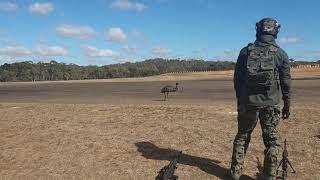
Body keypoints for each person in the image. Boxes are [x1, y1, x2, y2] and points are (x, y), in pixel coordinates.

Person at [228, 18, 292, 180]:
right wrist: (287, 105)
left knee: (242, 136)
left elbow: (237, 80)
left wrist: (240, 100)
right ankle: (269, 176)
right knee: (271, 142)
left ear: (258, 30)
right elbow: (286, 83)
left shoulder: (245, 52)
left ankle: (235, 173)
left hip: (248, 103)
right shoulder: (281, 54)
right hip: (270, 105)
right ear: (275, 31)